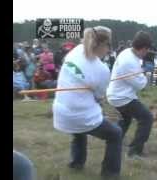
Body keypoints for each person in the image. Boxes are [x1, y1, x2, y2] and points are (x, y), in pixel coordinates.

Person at [53, 26, 122, 179]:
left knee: (79, 131)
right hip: (78, 115)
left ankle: (76, 163)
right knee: (116, 134)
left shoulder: (75, 50)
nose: (109, 49)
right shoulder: (102, 69)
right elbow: (98, 97)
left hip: (60, 110)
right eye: (108, 45)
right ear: (101, 44)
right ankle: (110, 174)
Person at [107, 31, 153, 158]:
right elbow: (140, 85)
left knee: (126, 119)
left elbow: (137, 78)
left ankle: (114, 140)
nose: (146, 53)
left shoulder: (127, 53)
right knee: (146, 118)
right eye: (147, 50)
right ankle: (134, 151)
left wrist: (140, 72)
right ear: (143, 48)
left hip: (117, 95)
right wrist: (144, 74)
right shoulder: (129, 61)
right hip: (121, 97)